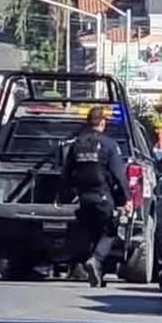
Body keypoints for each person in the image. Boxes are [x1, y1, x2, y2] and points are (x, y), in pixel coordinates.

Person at [59, 107, 130, 287]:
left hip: (83, 197)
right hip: (103, 196)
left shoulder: (77, 144)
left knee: (92, 232)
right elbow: (118, 174)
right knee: (110, 230)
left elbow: (67, 172)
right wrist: (127, 198)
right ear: (103, 123)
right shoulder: (109, 145)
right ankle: (96, 260)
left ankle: (96, 272)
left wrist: (62, 195)